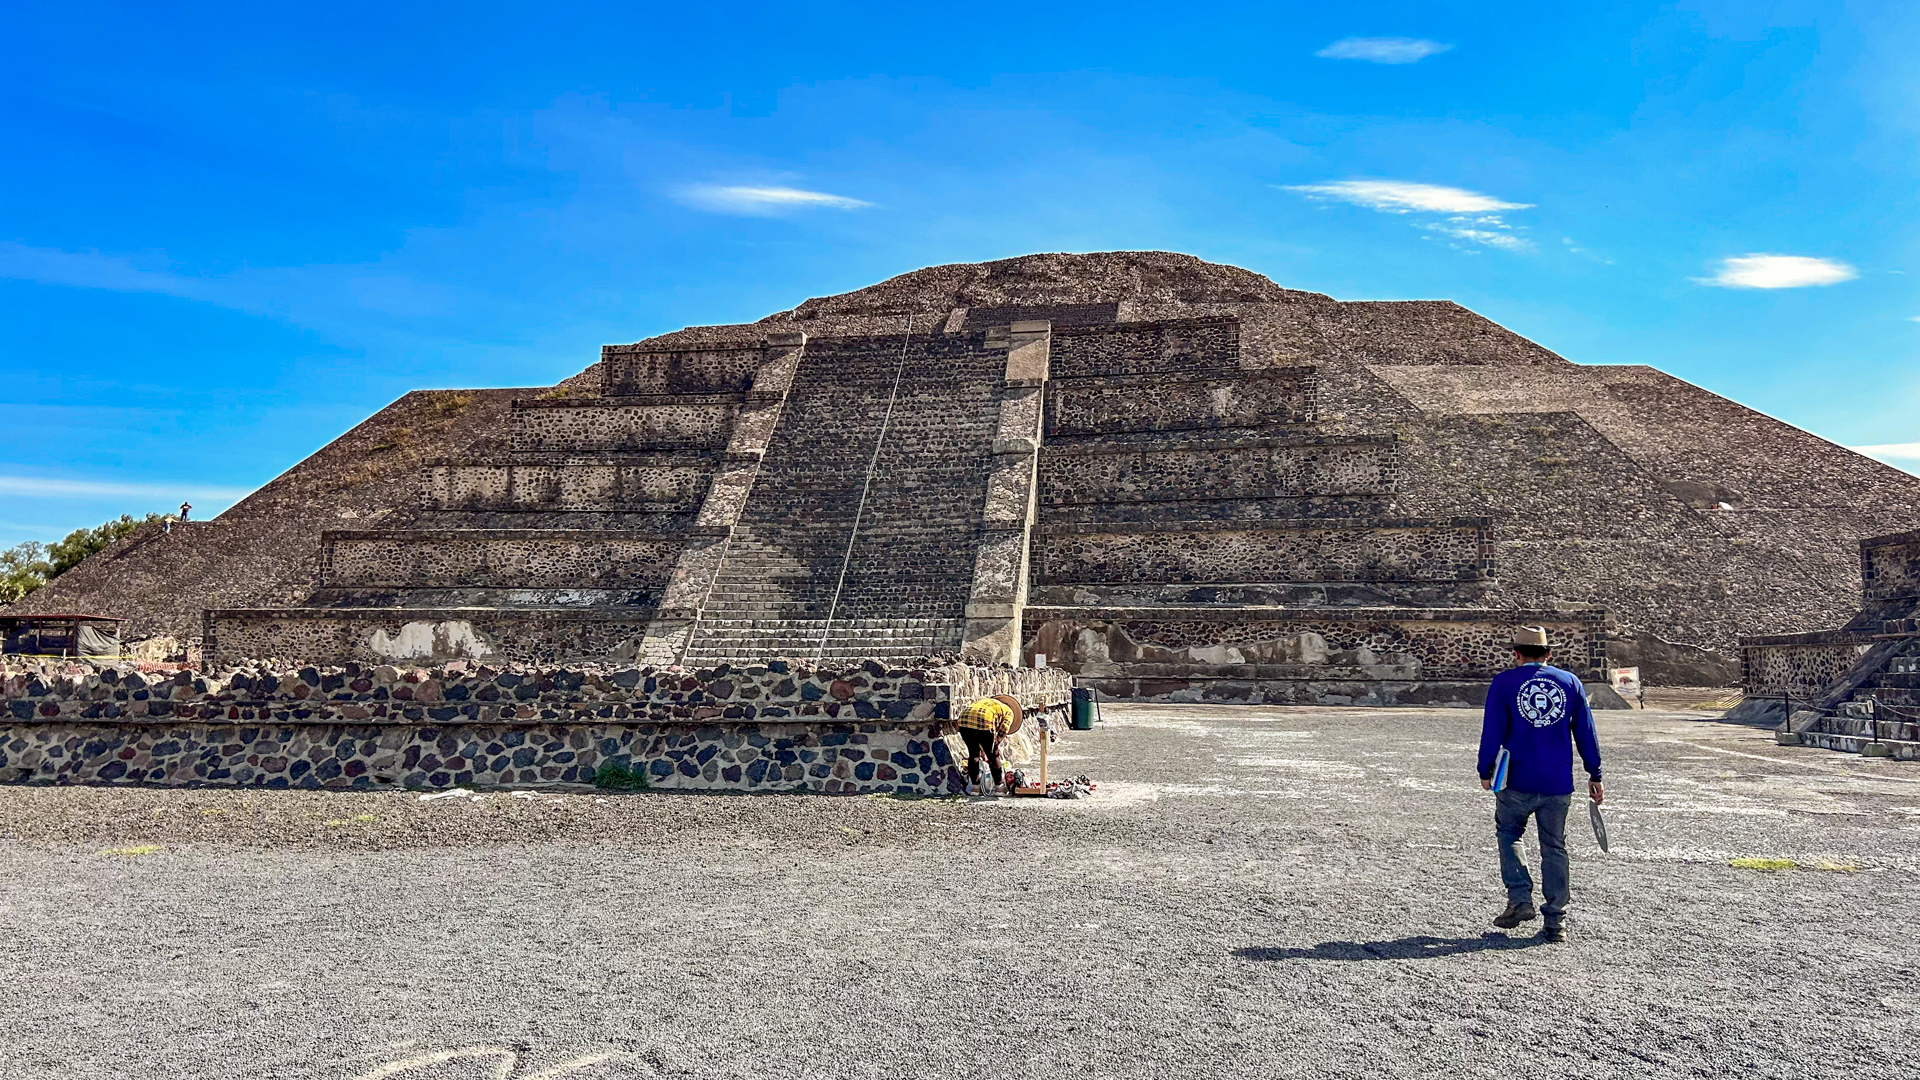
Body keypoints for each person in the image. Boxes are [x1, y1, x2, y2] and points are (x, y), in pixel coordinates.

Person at [1477, 626, 1604, 943]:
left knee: (1508, 833)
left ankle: (1520, 898)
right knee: (1554, 846)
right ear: (1549, 654)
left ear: (1516, 653)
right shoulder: (1570, 683)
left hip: (1515, 779)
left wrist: (1484, 768)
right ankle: (1556, 921)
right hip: (1557, 782)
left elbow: (1492, 731)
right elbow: (1586, 733)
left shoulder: (1504, 683)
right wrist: (1595, 772)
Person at [955, 693, 1022, 795]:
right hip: (984, 720)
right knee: (993, 756)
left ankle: (975, 789)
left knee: (973, 754)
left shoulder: (988, 703)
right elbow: (1004, 728)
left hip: (963, 720)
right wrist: (997, 742)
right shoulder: (1009, 711)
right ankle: (999, 788)